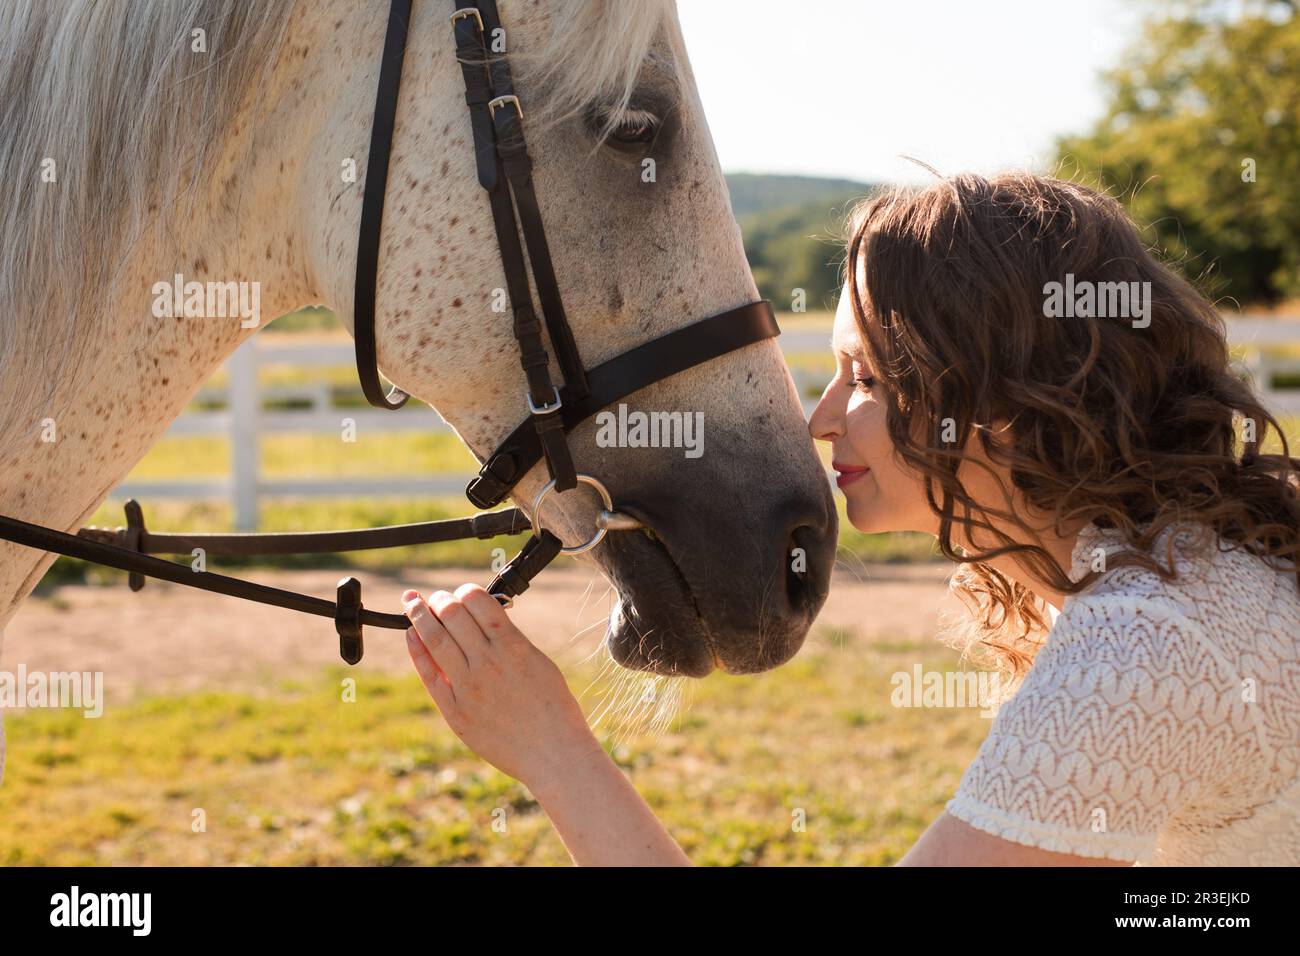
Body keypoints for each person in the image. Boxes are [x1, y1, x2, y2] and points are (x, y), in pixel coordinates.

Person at [401, 171, 1300, 866]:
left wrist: (554, 752)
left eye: (866, 377)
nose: (822, 418)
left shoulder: (1142, 646)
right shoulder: (1191, 569)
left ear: (1002, 398)